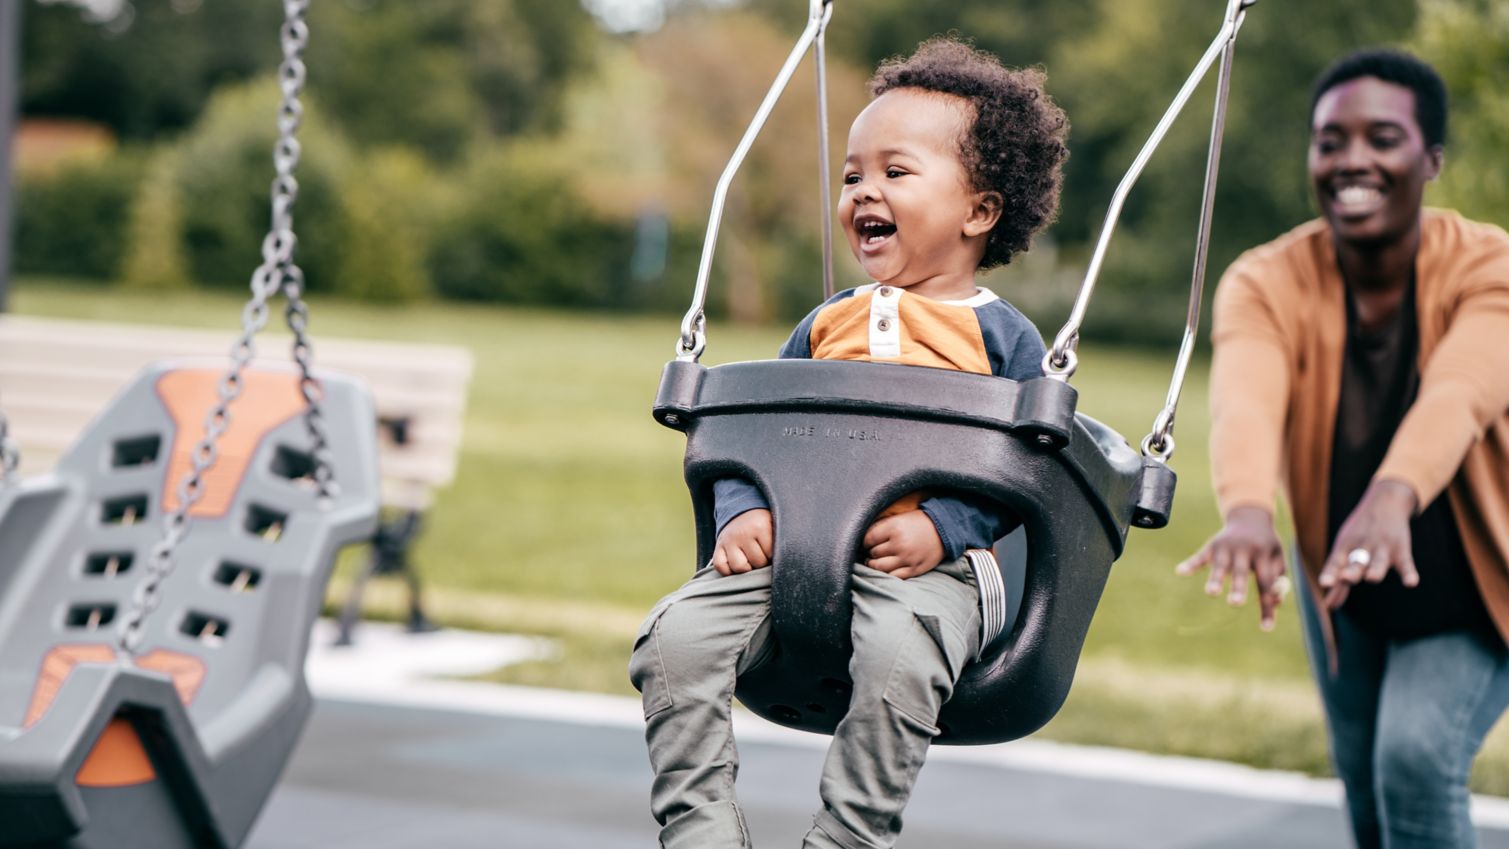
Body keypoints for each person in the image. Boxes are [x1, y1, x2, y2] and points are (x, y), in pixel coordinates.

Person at [629, 37, 1068, 849]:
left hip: (929, 568)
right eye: (852, 175)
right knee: (672, 641)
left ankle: (848, 836)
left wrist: (943, 524)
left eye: (895, 173)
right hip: (792, 545)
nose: (864, 189)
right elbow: (749, 434)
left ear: (978, 211)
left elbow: (1026, 469)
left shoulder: (1002, 337)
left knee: (898, 660)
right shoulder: (825, 323)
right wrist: (740, 512)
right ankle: (699, 830)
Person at [1177, 48, 1509, 848]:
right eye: (1329, 140)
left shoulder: (1491, 265)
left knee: (1413, 758)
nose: (1351, 159)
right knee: (1362, 784)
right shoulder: (1263, 280)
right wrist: (1249, 509)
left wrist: (1392, 494)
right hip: (1342, 569)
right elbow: (1246, 404)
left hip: (1475, 572)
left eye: (1382, 138)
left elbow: (1460, 393)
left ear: (1429, 159)